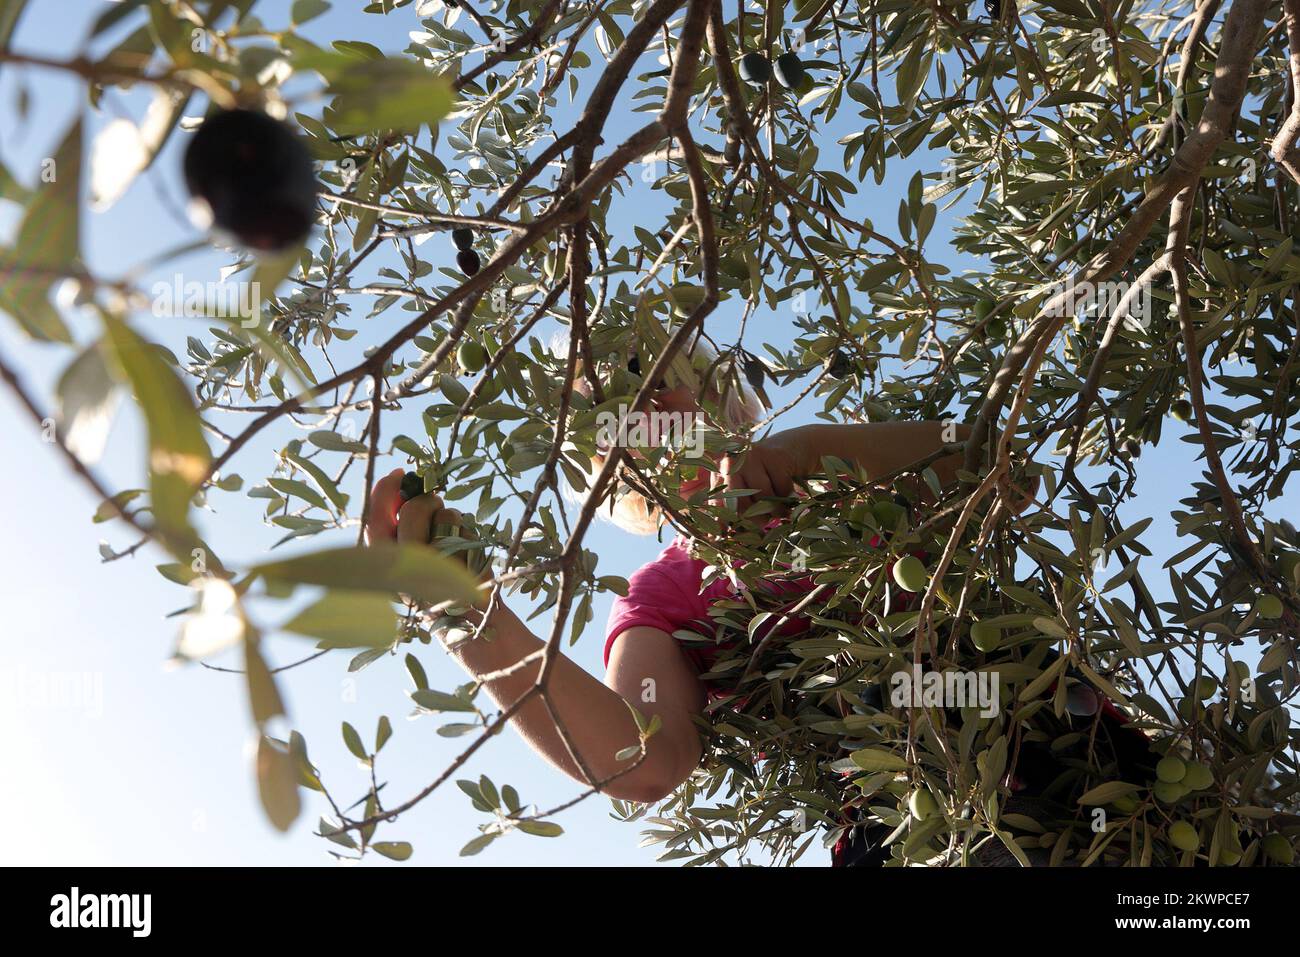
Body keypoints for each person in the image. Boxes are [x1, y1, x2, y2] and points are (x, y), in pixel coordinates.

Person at [363, 342, 1034, 861]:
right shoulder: (662, 595)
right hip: (898, 826)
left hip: (1050, 744)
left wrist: (813, 450)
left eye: (656, 379)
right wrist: (466, 617)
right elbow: (646, 758)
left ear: (717, 390)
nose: (644, 412)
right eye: (613, 411)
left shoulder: (831, 469)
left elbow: (1008, 468)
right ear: (607, 466)